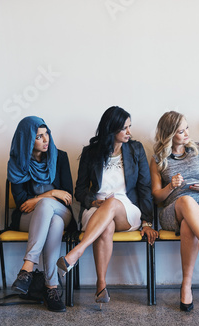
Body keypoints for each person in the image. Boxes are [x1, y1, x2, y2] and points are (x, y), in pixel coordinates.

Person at [57, 106, 157, 306]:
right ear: (111, 130)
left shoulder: (136, 150)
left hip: (127, 210)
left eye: (130, 127)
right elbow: (80, 190)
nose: (129, 132)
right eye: (124, 128)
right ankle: (101, 285)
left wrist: (147, 222)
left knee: (112, 204)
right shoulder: (90, 152)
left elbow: (145, 188)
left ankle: (77, 251)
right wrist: (92, 201)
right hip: (96, 210)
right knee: (106, 226)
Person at [149, 111, 199, 312]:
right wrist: (171, 187)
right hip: (171, 211)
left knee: (188, 224)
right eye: (181, 131)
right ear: (169, 135)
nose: (186, 134)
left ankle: (186, 287)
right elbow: (156, 196)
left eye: (187, 128)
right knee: (185, 200)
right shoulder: (158, 158)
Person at [7, 116, 75, 312]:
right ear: (27, 139)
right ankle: (51, 288)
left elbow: (67, 197)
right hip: (29, 218)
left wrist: (40, 199)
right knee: (54, 223)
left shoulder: (60, 157)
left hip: (62, 211)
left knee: (48, 208)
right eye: (39, 136)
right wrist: (52, 193)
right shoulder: (17, 162)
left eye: (47, 134)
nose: (45, 140)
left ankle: (27, 268)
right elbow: (21, 202)